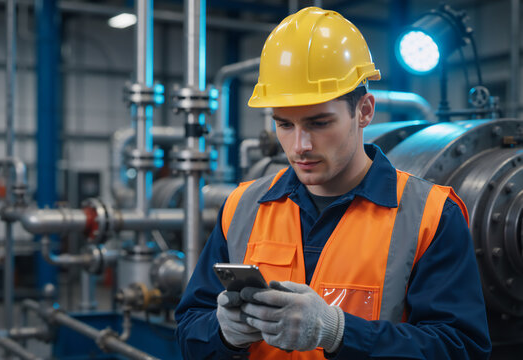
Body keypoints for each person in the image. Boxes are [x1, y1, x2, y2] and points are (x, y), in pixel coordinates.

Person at [175, 6, 491, 360]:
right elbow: (189, 329)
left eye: (320, 123)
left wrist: (340, 333)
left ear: (365, 111)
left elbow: (460, 349)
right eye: (284, 124)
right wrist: (224, 334)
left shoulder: (431, 216)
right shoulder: (242, 207)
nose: (300, 146)